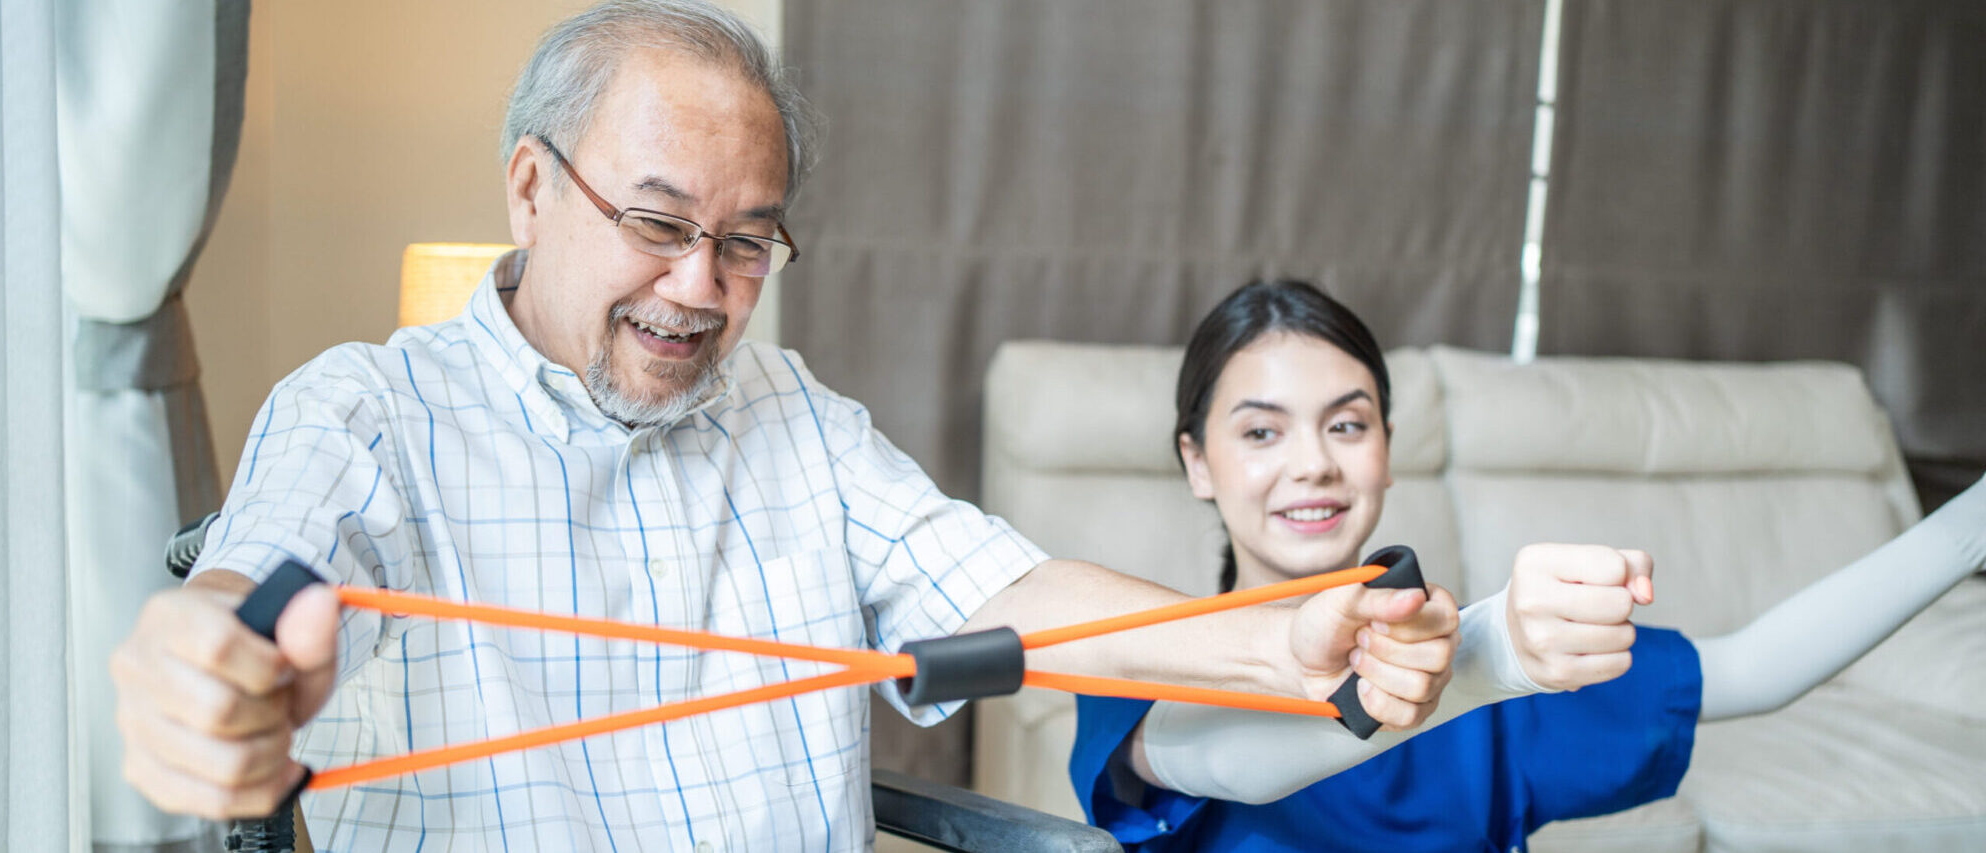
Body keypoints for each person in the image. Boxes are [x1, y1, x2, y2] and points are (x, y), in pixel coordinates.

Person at [105, 4, 1487, 851]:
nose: (701, 290)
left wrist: (1274, 639)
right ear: (531, 187)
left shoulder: (793, 414)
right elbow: (252, 587)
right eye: (657, 225)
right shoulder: (366, 407)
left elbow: (1001, 591)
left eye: (749, 243)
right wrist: (202, 664)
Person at [1068, 279, 1986, 852]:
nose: (1313, 461)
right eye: (1262, 431)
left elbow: (1750, 668)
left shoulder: (1499, 694)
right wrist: (1486, 653)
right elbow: (1227, 760)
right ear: (1196, 460)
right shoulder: (1143, 657)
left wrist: (1968, 531)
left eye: (1347, 423)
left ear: (1388, 448)